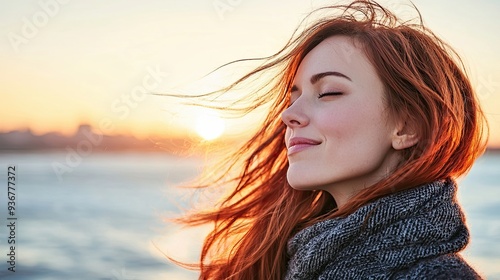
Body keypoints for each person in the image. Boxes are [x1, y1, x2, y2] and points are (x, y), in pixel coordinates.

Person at [175, 0, 488, 279]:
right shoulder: (292, 261)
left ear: (407, 127)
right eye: (293, 97)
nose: (289, 115)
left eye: (328, 92)